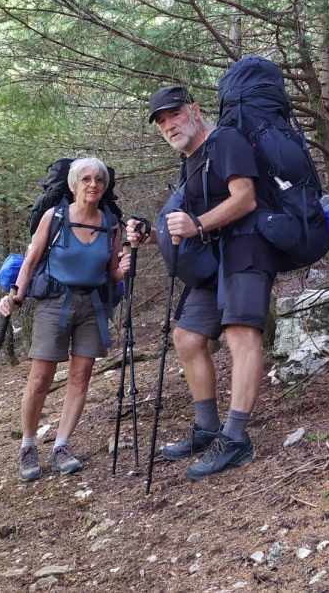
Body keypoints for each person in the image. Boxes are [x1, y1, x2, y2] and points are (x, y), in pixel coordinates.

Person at [128, 85, 277, 481]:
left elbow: (245, 199)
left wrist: (197, 224)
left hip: (247, 248)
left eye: (174, 114)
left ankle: (236, 439)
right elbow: (188, 221)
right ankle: (208, 427)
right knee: (188, 338)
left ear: (195, 110)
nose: (168, 125)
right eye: (161, 121)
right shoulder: (191, 161)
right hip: (214, 258)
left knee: (241, 335)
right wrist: (153, 234)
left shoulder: (225, 140)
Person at [0, 157, 130, 482]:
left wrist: (122, 269)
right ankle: (28, 446)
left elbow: (111, 269)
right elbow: (31, 261)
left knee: (81, 377)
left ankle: (61, 445)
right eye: (85, 179)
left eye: (98, 180)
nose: (93, 185)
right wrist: (16, 295)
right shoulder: (55, 217)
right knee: (40, 379)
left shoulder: (111, 223)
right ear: (74, 184)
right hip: (54, 303)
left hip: (92, 305)